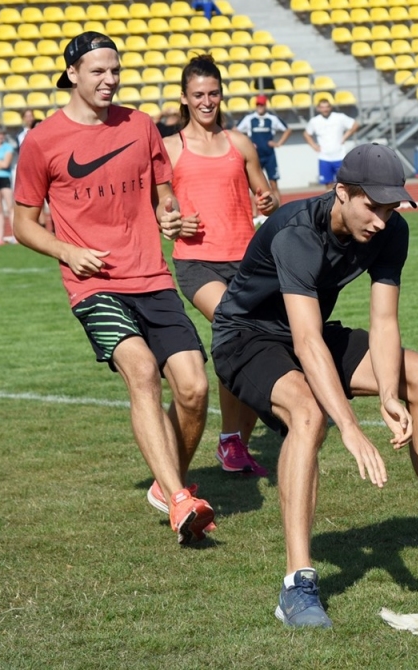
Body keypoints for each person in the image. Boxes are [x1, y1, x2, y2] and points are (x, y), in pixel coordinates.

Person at [214, 143, 418, 628]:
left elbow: (384, 320)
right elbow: (305, 342)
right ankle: (296, 585)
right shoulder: (298, 233)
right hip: (247, 337)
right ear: (342, 192)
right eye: (372, 205)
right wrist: (348, 425)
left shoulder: (391, 232)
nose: (382, 220)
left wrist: (388, 393)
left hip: (310, 331)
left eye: (390, 207)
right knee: (310, 414)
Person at [13, 31, 215, 545]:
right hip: (93, 284)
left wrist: (170, 219)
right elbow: (23, 223)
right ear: (73, 75)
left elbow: (163, 197)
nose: (110, 80)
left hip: (152, 275)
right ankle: (177, 499)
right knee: (143, 371)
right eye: (99, 71)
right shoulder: (42, 141)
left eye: (116, 70)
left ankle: (165, 482)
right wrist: (67, 251)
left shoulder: (141, 125)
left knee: (193, 388)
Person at [163, 54, 278, 478]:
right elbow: (154, 210)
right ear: (184, 98)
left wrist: (268, 202)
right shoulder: (170, 148)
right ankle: (241, 431)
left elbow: (267, 197)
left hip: (245, 260)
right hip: (196, 263)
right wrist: (173, 222)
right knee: (236, 323)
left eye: (213, 94)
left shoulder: (240, 143)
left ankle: (234, 442)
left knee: (246, 342)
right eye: (198, 95)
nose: (207, 101)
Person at [237, 94, 291, 209]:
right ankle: (255, 214)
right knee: (254, 186)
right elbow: (235, 130)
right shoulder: (249, 118)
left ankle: (278, 211)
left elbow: (287, 130)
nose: (260, 107)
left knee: (273, 184)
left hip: (270, 155)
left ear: (265, 105)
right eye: (258, 104)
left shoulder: (272, 118)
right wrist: (247, 143)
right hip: (254, 156)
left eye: (262, 104)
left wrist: (278, 143)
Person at [303, 98, 360, 187]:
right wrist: (314, 146)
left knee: (343, 184)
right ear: (318, 108)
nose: (325, 109)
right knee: (328, 185)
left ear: (330, 107)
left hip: (339, 156)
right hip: (324, 157)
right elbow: (306, 134)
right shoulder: (314, 121)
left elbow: (355, 125)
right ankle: (331, 201)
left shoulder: (339, 117)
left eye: (327, 107)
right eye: (322, 107)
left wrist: (345, 137)